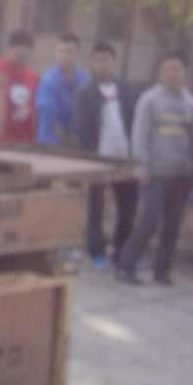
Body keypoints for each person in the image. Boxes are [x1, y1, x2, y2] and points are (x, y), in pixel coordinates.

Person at [115, 51, 193, 285]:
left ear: (185, 72)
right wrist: (141, 166)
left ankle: (161, 271)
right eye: (167, 69)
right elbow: (139, 135)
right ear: (161, 73)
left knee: (172, 225)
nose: (172, 74)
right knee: (148, 222)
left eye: (176, 69)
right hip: (155, 173)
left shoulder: (191, 103)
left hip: (181, 174)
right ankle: (125, 266)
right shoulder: (149, 100)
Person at [74, 41, 138, 268]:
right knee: (96, 208)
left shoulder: (125, 89)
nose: (102, 64)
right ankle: (96, 251)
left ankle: (121, 250)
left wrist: (133, 153)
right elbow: (81, 128)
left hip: (124, 157)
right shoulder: (85, 92)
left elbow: (133, 120)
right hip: (98, 158)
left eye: (106, 60)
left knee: (128, 206)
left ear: (113, 62)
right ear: (91, 63)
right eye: (97, 60)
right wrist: (91, 156)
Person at [35, 33, 90, 146]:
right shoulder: (48, 81)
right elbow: (49, 118)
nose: (64, 56)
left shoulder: (85, 79)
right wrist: (69, 142)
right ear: (55, 53)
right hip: (50, 143)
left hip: (79, 143)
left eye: (69, 52)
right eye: (61, 51)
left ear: (78, 55)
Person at [0, 30, 39, 142]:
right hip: (1, 140)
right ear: (9, 50)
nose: (22, 59)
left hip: (26, 140)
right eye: (18, 55)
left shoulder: (32, 77)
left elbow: (34, 110)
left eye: (25, 56)